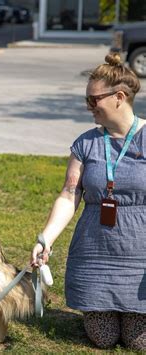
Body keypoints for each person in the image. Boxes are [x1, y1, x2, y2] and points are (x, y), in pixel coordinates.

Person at [31, 52, 145, 350]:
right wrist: (46, 239)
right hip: (96, 252)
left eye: (94, 100)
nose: (88, 107)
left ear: (119, 97)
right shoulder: (86, 143)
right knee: (103, 338)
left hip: (140, 254)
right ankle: (103, 306)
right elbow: (69, 194)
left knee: (138, 340)